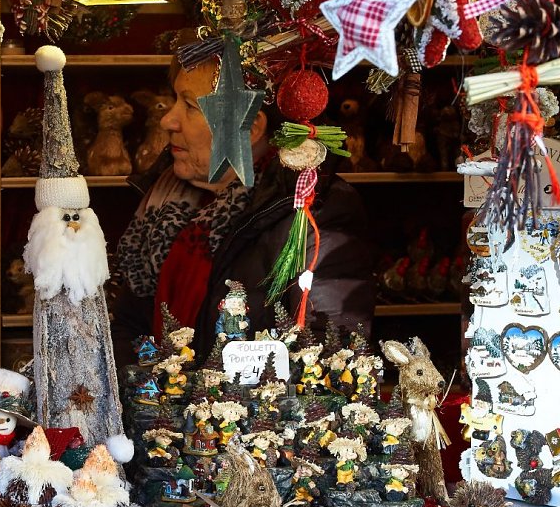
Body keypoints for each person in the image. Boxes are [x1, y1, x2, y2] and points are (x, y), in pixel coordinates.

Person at [113, 53, 374, 360]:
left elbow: (328, 356)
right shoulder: (166, 201)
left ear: (250, 130)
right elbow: (127, 324)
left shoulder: (314, 215)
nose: (168, 120)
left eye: (190, 106)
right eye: (174, 100)